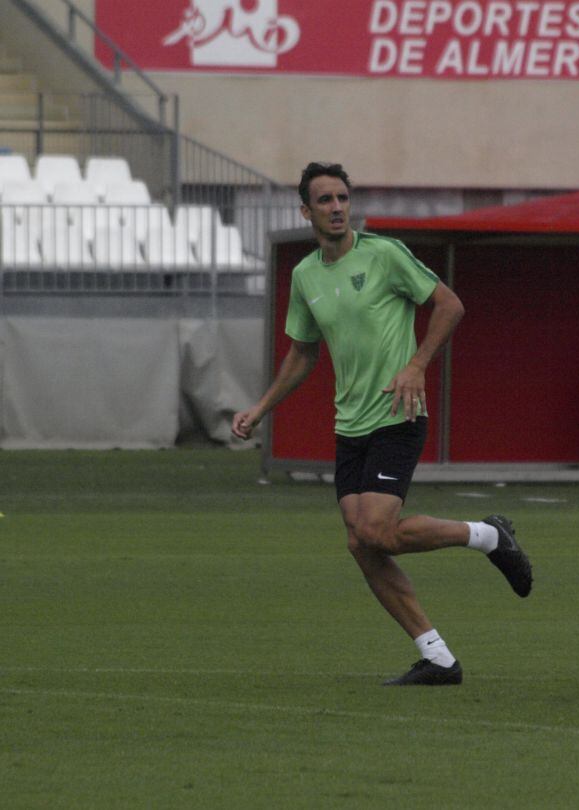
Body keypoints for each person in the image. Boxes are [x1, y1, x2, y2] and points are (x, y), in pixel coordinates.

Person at [232, 162, 532, 686]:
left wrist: (416, 365)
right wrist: (261, 408)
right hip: (350, 425)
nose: (336, 207)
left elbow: (449, 305)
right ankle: (437, 656)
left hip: (398, 413)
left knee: (377, 531)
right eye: (324, 200)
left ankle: (488, 535)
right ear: (306, 211)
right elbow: (303, 354)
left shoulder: (385, 254)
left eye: (342, 197)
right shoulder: (305, 276)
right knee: (361, 543)